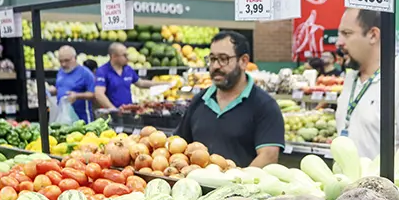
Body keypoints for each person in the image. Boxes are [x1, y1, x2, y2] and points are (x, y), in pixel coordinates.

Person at [335, 8, 399, 167]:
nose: (338, 42)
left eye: (347, 33)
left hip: (384, 191)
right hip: (346, 189)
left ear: (373, 35)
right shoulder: (351, 79)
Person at [174, 31, 285, 168]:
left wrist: (235, 184)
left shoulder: (265, 105)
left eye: (223, 59)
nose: (215, 66)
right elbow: (179, 145)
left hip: (242, 187)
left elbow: (268, 156)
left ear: (243, 61)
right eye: (212, 59)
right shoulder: (199, 101)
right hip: (196, 187)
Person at [46, 45, 104, 123]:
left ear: (75, 58)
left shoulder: (85, 73)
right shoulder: (61, 72)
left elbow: (93, 94)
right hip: (65, 118)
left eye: (67, 60)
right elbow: (60, 88)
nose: (63, 64)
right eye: (61, 61)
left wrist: (77, 96)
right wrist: (52, 91)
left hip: (83, 120)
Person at [94, 43, 156, 109]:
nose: (128, 58)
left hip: (128, 111)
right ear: (114, 56)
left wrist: (164, 84)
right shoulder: (102, 71)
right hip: (111, 114)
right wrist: (113, 110)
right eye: (124, 55)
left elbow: (141, 83)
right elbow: (99, 94)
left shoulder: (128, 69)